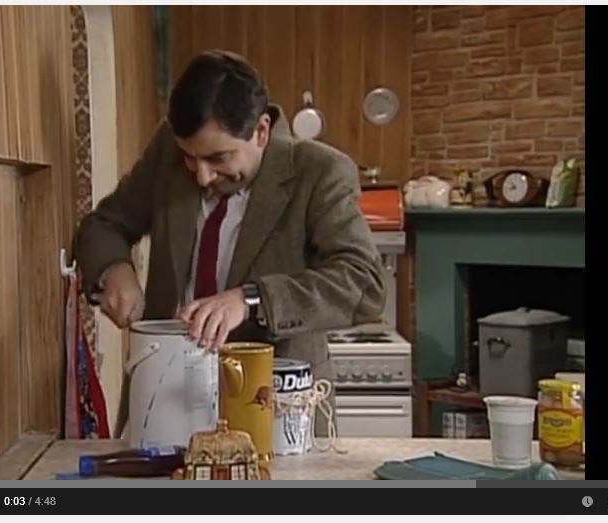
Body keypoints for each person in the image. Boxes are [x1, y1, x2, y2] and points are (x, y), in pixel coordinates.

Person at [73, 50, 385, 436]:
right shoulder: (168, 152)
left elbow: (363, 282)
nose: (202, 176)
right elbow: (103, 225)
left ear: (261, 131)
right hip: (165, 404)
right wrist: (113, 268)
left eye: (218, 158)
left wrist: (251, 300)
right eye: (190, 159)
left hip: (274, 412)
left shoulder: (320, 172)